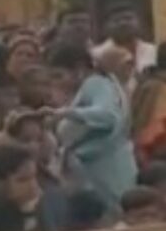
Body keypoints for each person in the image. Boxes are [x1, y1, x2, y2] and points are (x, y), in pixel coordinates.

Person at [54, 39, 137, 206]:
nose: (55, 82)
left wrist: (68, 113)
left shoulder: (96, 84)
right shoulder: (102, 86)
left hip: (106, 172)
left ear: (78, 69)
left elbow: (108, 116)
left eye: (58, 75)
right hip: (102, 172)